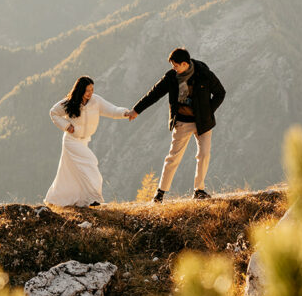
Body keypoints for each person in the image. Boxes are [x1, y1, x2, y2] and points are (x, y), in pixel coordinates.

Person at [126, 48, 225, 202]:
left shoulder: (204, 73)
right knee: (173, 157)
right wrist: (136, 110)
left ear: (185, 64)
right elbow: (154, 93)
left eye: (176, 65)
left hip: (203, 123)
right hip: (182, 122)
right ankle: (160, 193)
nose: (174, 68)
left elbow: (220, 92)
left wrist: (208, 111)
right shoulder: (172, 77)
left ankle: (199, 191)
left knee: (204, 155)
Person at [45, 76, 129, 207]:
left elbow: (111, 110)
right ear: (80, 90)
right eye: (87, 90)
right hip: (71, 141)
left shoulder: (96, 101)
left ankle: (59, 199)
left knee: (70, 172)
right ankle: (93, 199)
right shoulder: (70, 102)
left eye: (92, 89)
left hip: (84, 141)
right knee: (91, 163)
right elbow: (53, 112)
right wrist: (67, 126)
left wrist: (125, 113)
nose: (90, 93)